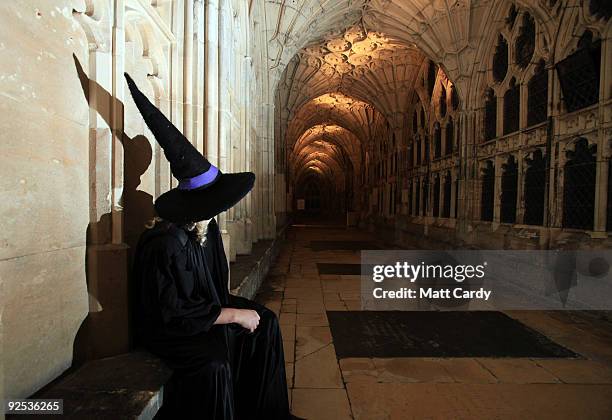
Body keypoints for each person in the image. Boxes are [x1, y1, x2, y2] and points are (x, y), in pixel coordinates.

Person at [124, 73, 294, 419]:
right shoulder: (164, 242)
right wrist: (232, 314)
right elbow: (169, 314)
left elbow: (213, 288)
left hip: (202, 312)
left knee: (267, 323)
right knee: (213, 364)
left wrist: (235, 311)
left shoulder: (205, 228)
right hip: (171, 329)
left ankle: (266, 413)